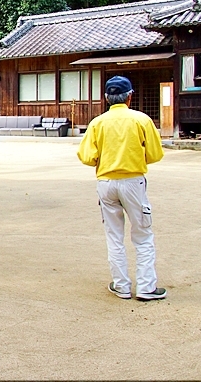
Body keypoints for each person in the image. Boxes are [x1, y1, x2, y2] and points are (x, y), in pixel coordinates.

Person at [77, 76, 166, 301]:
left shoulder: (97, 123)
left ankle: (121, 285)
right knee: (143, 234)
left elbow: (87, 157)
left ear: (107, 98)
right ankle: (146, 287)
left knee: (114, 235)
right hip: (133, 181)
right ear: (129, 97)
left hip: (106, 182)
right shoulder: (141, 120)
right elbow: (155, 154)